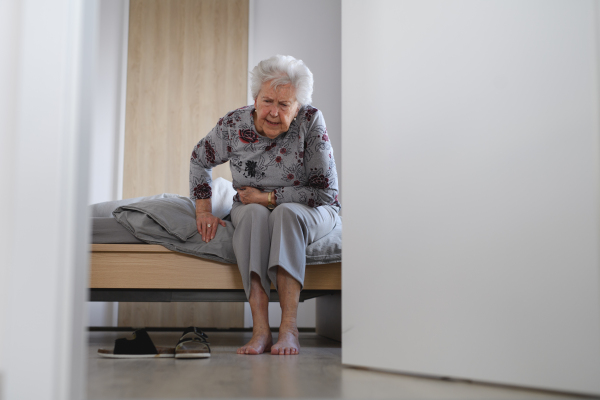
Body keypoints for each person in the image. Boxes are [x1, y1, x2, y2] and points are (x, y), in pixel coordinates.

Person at [190, 55, 340, 355]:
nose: (273, 112)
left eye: (284, 105)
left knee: (284, 214)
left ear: (298, 107)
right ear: (255, 98)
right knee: (252, 217)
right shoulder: (234, 124)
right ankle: (261, 331)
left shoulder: (311, 121)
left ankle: (289, 329)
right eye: (267, 100)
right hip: (250, 204)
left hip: (312, 209)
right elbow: (199, 159)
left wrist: (267, 197)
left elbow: (324, 193)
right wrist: (204, 210)